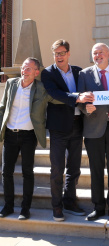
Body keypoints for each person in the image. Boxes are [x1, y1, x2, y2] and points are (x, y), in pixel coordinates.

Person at [0, 57, 61, 220]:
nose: (24, 71)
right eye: (23, 68)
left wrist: (76, 98)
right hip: (11, 134)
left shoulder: (41, 88)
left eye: (28, 69)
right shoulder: (11, 84)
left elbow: (57, 98)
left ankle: (25, 209)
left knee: (28, 172)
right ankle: (8, 206)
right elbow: (2, 107)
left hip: (29, 135)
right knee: (6, 172)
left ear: (36, 72)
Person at [41, 39, 93, 222]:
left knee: (74, 167)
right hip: (58, 128)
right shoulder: (47, 73)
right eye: (56, 53)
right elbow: (55, 93)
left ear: (68, 53)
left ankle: (70, 201)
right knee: (57, 168)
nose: (59, 56)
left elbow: (89, 91)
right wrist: (78, 97)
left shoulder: (79, 72)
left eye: (62, 53)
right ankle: (57, 206)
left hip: (78, 124)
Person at [77, 43, 109, 222]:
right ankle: (98, 207)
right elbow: (80, 99)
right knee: (95, 170)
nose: (98, 55)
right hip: (93, 130)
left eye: (101, 52)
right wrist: (85, 108)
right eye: (94, 53)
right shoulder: (84, 74)